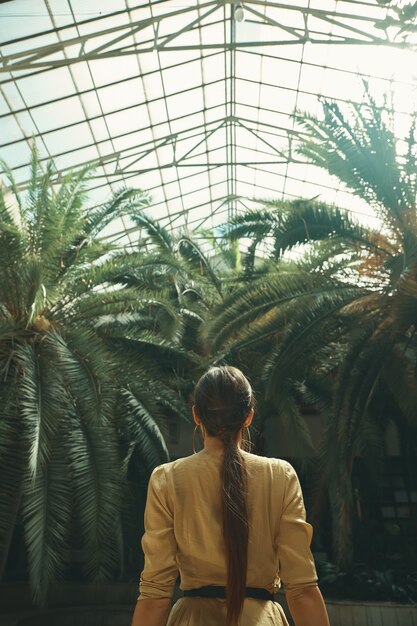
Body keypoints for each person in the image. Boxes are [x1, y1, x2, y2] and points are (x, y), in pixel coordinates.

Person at [131, 366, 330, 626]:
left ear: (196, 415)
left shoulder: (166, 479)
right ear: (248, 417)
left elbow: (155, 596)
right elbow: (302, 590)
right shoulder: (281, 476)